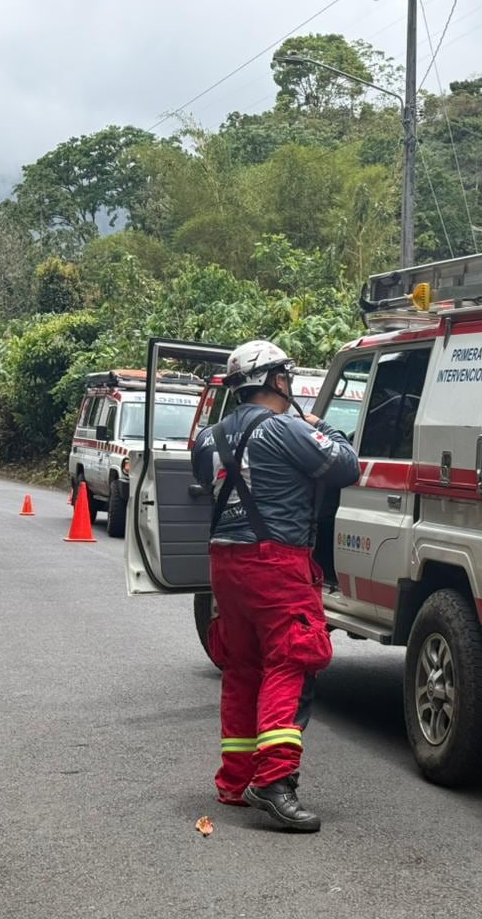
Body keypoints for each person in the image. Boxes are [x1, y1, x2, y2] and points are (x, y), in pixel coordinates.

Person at [191, 340, 360, 832]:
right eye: (285, 377)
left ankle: (234, 779)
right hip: (277, 565)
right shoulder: (286, 429)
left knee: (242, 666)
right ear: (276, 382)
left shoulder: (207, 438)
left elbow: (206, 482)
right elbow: (345, 466)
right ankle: (275, 780)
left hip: (225, 564)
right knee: (292, 659)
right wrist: (322, 428)